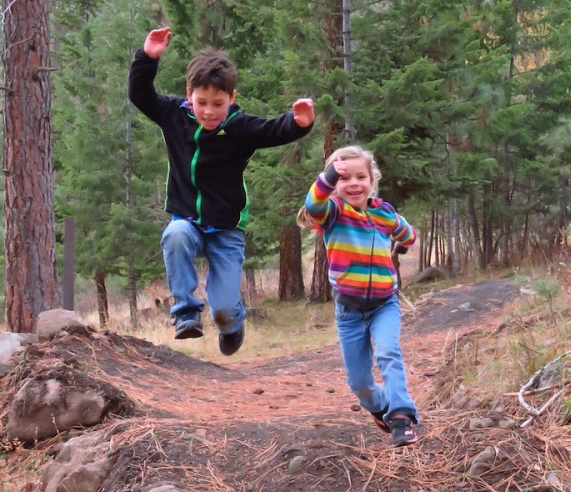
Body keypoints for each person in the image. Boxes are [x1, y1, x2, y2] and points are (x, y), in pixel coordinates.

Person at [129, 27, 315, 356]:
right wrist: (148, 57)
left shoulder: (239, 128)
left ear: (231, 97)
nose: (210, 111)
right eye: (202, 103)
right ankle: (186, 312)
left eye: (218, 103)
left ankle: (231, 324)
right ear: (189, 94)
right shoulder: (174, 115)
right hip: (187, 218)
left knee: (224, 307)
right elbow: (140, 94)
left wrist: (300, 122)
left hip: (227, 229)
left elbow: (273, 130)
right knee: (175, 234)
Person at [297, 145, 419, 447]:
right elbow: (313, 204)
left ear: (371, 180)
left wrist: (401, 242)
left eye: (360, 177)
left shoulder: (383, 212)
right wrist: (326, 177)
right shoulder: (333, 213)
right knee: (360, 383)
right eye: (343, 178)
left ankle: (403, 416)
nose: (353, 184)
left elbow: (409, 235)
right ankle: (380, 407)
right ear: (335, 185)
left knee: (388, 352)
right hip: (349, 312)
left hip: (384, 304)